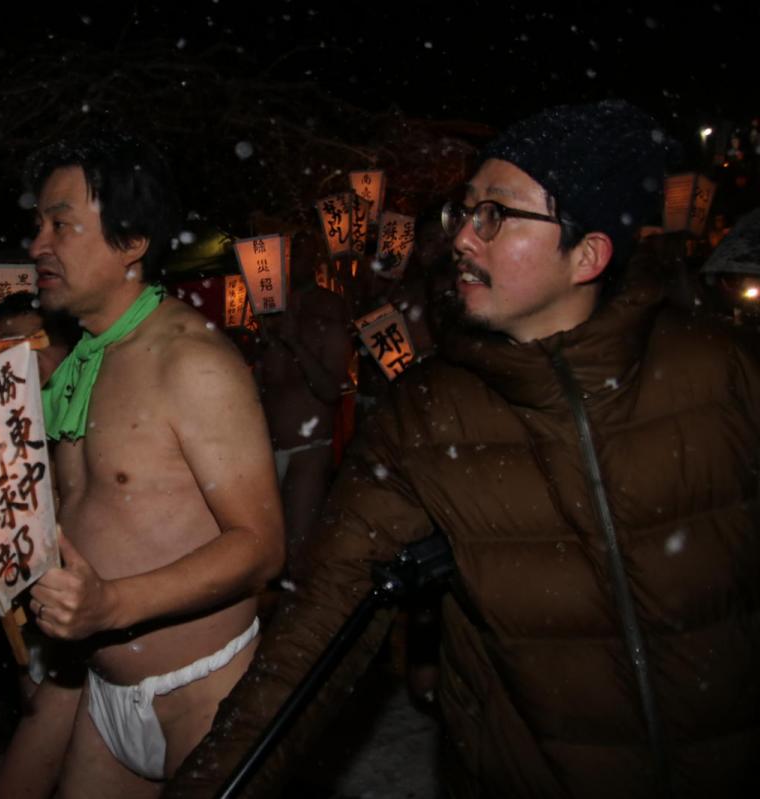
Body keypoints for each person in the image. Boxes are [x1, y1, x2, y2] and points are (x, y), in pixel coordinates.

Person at [168, 100, 760, 798]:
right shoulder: (430, 415)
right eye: (464, 212)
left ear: (589, 253)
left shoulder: (724, 373)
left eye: (496, 216)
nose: (461, 240)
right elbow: (314, 633)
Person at [0, 132, 285, 798]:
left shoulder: (193, 363)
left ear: (131, 243)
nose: (38, 244)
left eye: (61, 225)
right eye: (38, 224)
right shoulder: (78, 365)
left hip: (202, 690)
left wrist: (111, 604)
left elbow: (263, 548)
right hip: (103, 692)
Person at [255, 231, 353, 567]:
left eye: (303, 253)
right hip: (268, 447)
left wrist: (295, 343)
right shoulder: (268, 314)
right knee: (266, 553)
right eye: (290, 255)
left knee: (298, 555)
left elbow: (331, 391)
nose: (296, 261)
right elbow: (260, 388)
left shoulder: (330, 310)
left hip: (308, 448)